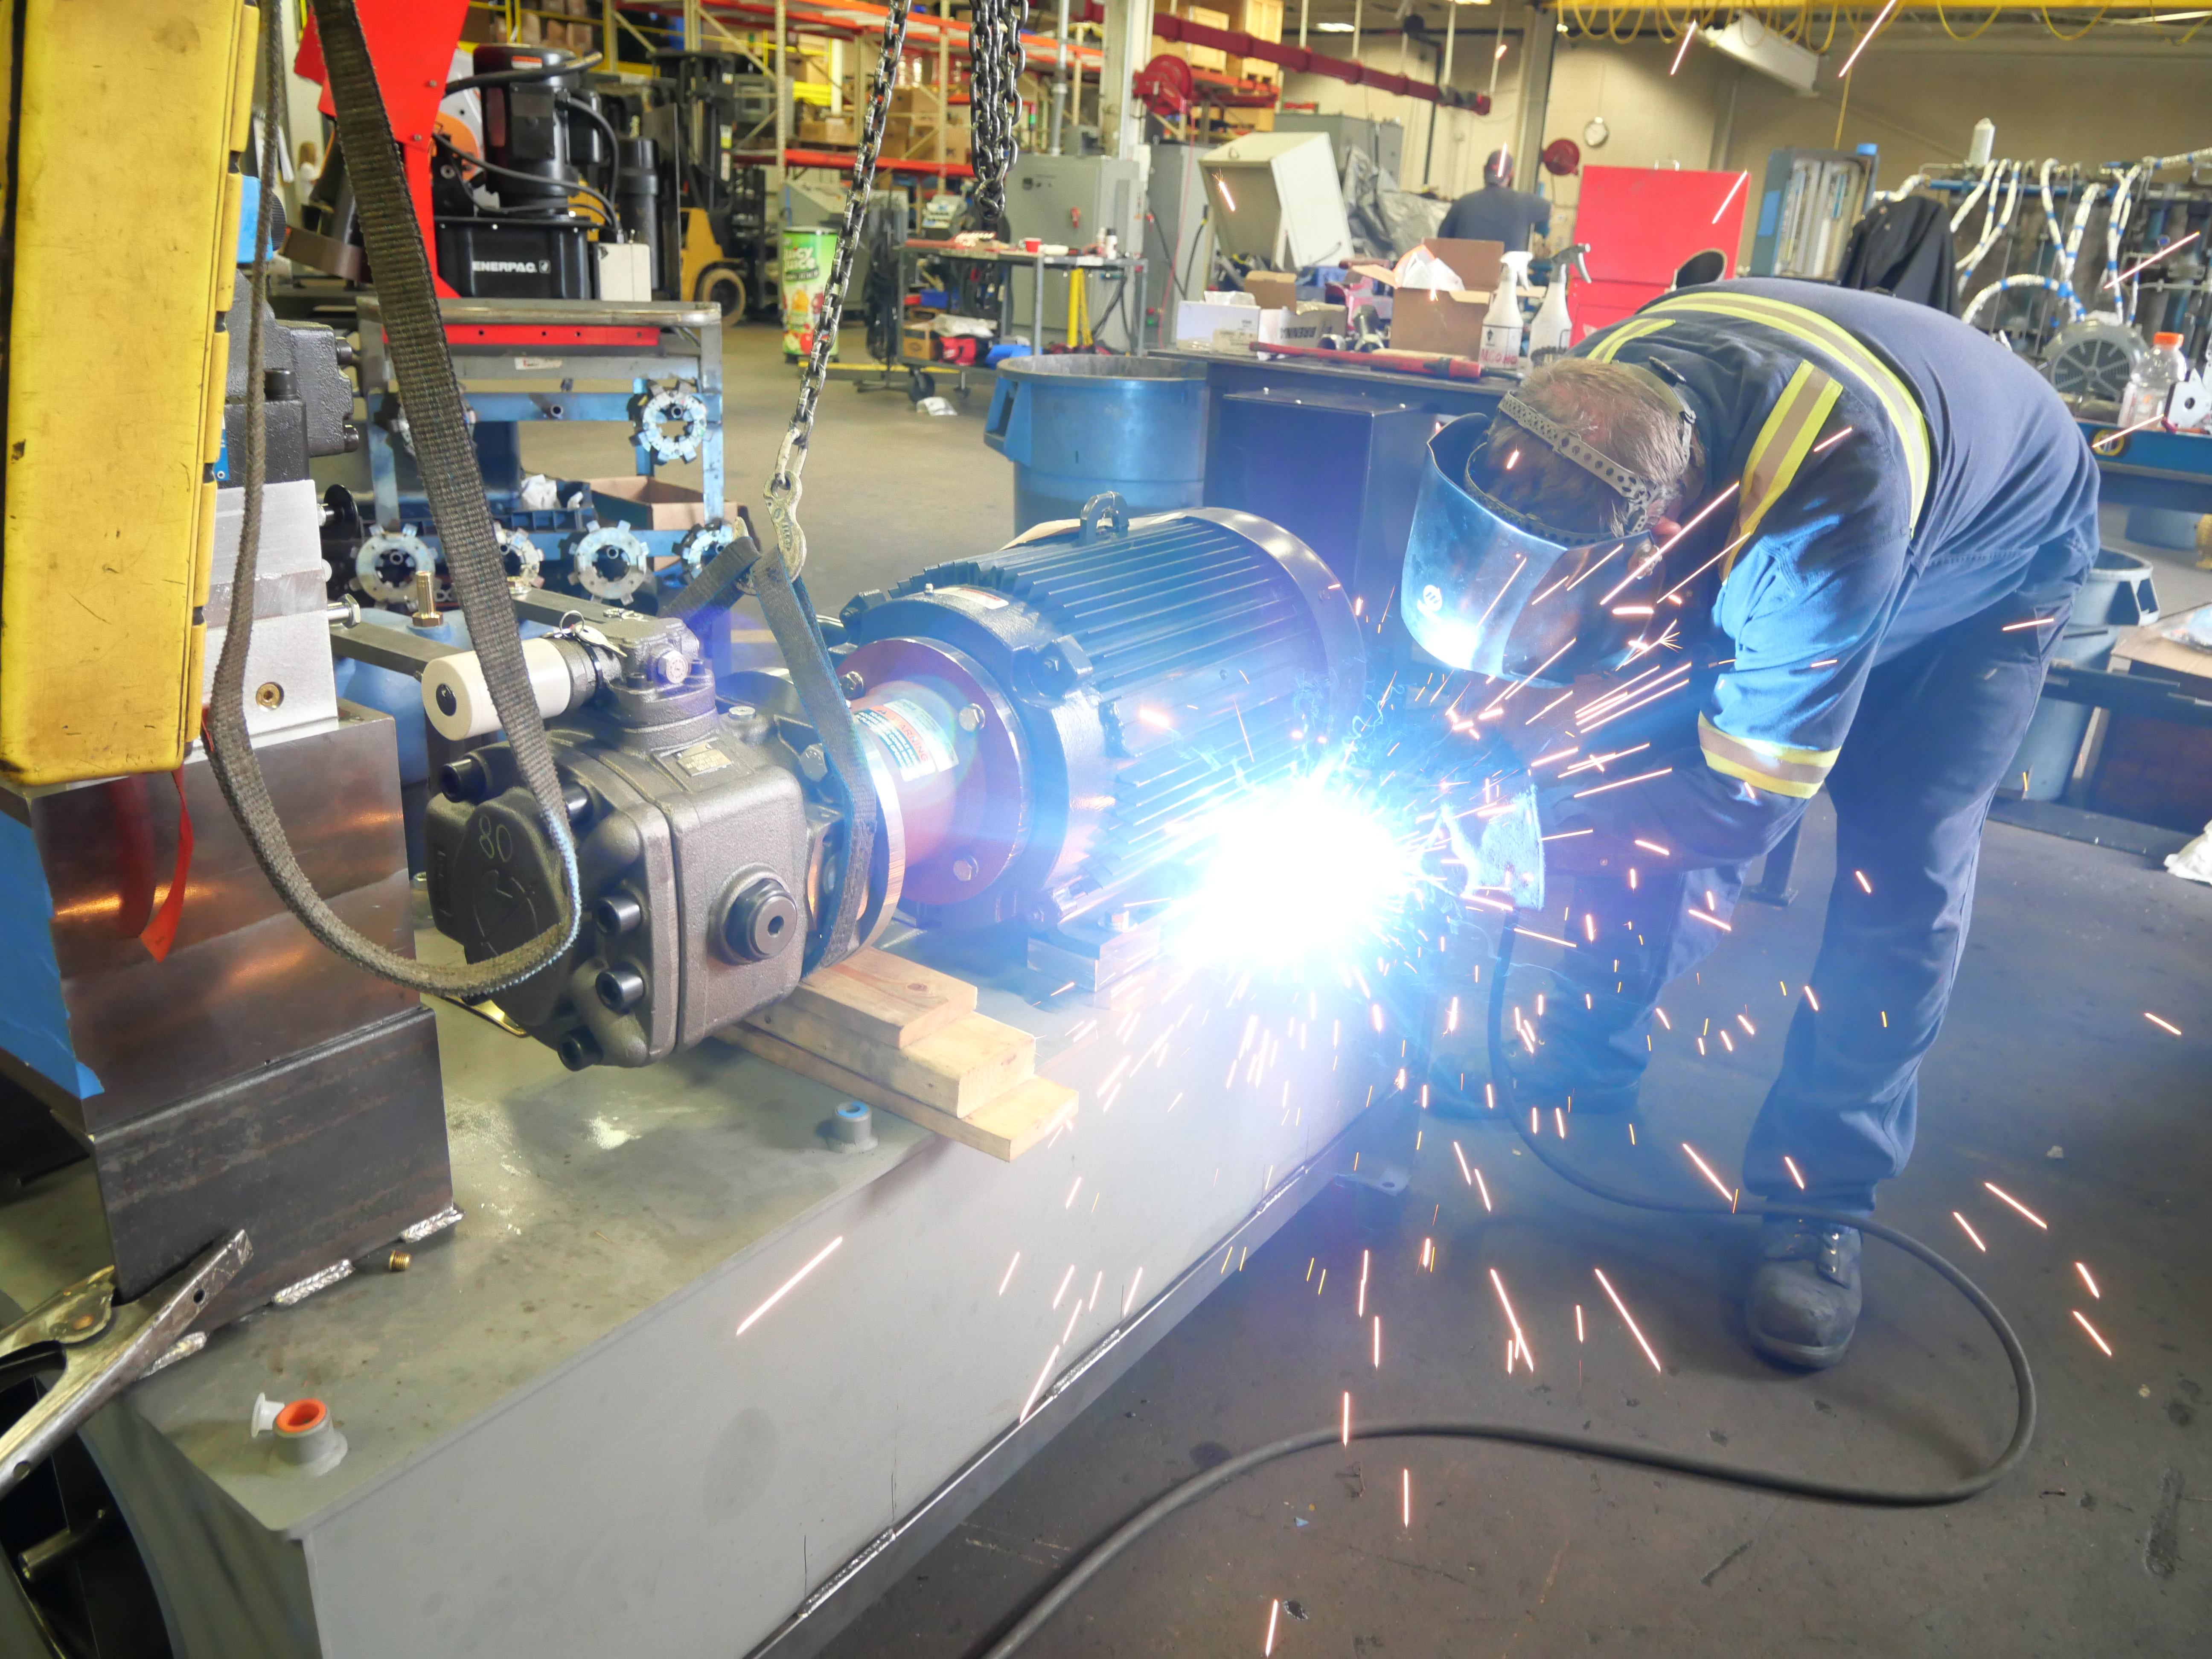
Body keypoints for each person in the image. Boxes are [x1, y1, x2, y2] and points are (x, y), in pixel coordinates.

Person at [1402, 280, 2099, 1369]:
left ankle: (1823, 1199)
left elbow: (1740, 812)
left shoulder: (1817, 530)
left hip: (1988, 553)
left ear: (1663, 537)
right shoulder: (1584, 396)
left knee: (1899, 862)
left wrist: (1537, 821)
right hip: (1820, 467)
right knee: (1626, 753)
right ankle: (1581, 1057)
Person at [1438, 147, 1552, 251]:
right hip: (1505, 273)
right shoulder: (1525, 202)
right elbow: (1551, 209)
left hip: (1464, 272)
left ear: (1484, 170)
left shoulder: (1462, 203)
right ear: (1511, 174)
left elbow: (1441, 241)